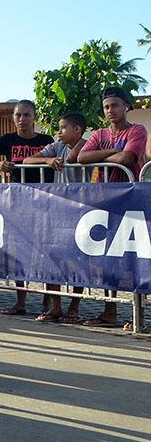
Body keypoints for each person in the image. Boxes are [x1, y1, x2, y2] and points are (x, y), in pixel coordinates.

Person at [0, 99, 54, 315]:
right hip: (18, 203)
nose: (22, 119)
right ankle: (21, 302)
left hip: (45, 203)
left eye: (27, 115)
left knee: (45, 252)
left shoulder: (47, 140)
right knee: (19, 253)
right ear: (13, 118)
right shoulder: (7, 140)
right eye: (18, 115)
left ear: (34, 117)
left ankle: (49, 302)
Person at [77, 86, 147, 328]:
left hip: (131, 202)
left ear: (126, 106)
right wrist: (113, 152)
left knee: (133, 259)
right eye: (107, 107)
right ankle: (110, 311)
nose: (111, 110)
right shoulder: (99, 134)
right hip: (104, 202)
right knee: (108, 260)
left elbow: (128, 159)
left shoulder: (137, 130)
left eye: (115, 105)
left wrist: (102, 155)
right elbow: (81, 158)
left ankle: (138, 315)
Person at [23, 111, 87, 322]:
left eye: (63, 128)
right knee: (52, 256)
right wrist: (48, 159)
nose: (58, 132)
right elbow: (27, 159)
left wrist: (76, 144)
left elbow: (71, 158)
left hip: (81, 208)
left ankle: (74, 307)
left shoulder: (87, 144)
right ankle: (55, 306)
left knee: (78, 259)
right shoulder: (55, 146)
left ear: (77, 130)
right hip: (57, 209)